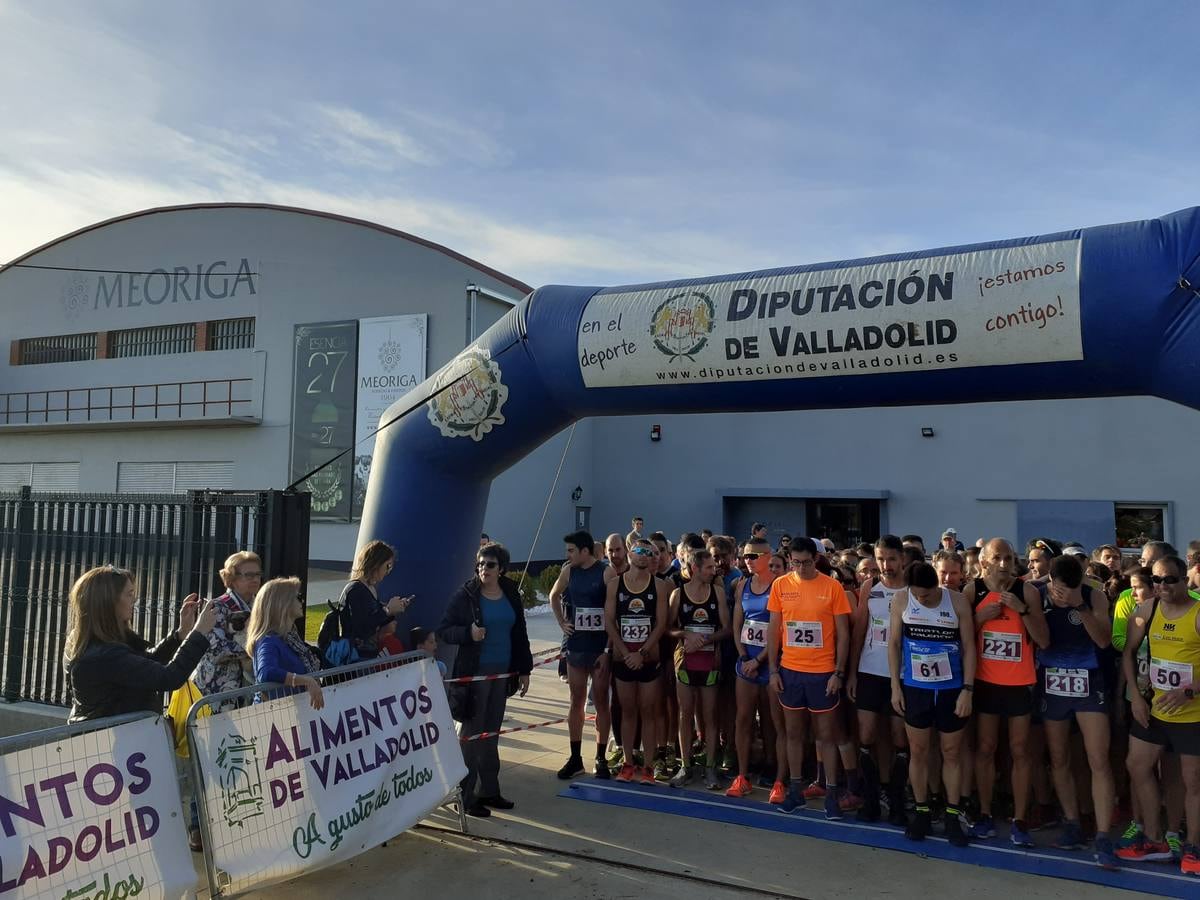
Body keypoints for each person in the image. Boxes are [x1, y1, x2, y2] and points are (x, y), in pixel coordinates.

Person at [1118, 555, 1200, 873]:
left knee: (1192, 782)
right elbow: (1127, 653)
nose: (1162, 586)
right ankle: (1154, 839)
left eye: (1170, 580)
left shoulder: (1196, 613)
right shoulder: (1146, 610)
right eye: (1156, 580)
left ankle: (1192, 847)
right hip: (1155, 709)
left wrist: (1189, 691)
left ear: (1184, 580)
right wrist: (1136, 698)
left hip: (1192, 714)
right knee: (1136, 766)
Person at [1035, 555, 1118, 867]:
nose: (1064, 591)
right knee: (1058, 757)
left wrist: (1079, 606)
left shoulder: (1093, 595)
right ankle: (1071, 822)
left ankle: (1103, 834)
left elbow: (1103, 639)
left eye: (1073, 585)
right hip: (1052, 682)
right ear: (1051, 580)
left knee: (1098, 758)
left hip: (1088, 682)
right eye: (1059, 587)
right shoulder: (1037, 592)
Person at [439, 541, 532, 818]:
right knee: (472, 735)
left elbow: (520, 632)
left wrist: (524, 670)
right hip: (474, 674)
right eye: (479, 564)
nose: (483, 569)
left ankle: (489, 790)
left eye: (489, 564)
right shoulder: (466, 595)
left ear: (501, 568)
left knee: (490, 733)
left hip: (502, 673)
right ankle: (465, 797)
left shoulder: (511, 593)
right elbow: (444, 630)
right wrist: (468, 633)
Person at [966, 538, 1049, 846]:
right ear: (984, 561)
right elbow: (961, 639)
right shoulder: (972, 591)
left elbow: (1044, 640)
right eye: (997, 557)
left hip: (1019, 684)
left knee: (1020, 752)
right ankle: (985, 814)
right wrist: (978, 619)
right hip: (985, 683)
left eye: (1009, 557)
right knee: (985, 749)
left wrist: (1023, 610)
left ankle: (1020, 819)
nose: (1004, 563)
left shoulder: (1026, 591)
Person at [888, 561, 974, 846]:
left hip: (950, 689)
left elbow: (969, 647)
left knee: (951, 752)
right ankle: (922, 811)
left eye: (927, 595)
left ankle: (951, 814)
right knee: (919, 751)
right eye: (918, 595)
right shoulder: (902, 599)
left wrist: (968, 690)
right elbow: (894, 644)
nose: (922, 599)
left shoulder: (957, 601)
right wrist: (895, 687)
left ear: (937, 585)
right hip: (916, 688)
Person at [65, 566, 216, 722]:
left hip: (127, 738)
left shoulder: (99, 643)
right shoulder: (104, 656)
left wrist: (181, 634)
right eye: (129, 594)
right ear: (109, 602)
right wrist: (198, 633)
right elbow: (169, 677)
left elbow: (145, 663)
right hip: (123, 741)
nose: (134, 600)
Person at [768, 541, 852, 819]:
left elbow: (843, 634)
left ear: (815, 559)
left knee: (825, 736)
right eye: (796, 562)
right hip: (790, 671)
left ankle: (832, 794)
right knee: (793, 734)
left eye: (806, 562)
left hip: (822, 674)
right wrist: (773, 670)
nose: (801, 568)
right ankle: (795, 790)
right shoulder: (781, 585)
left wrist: (838, 673)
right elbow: (774, 629)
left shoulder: (832, 587)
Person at [849, 535, 909, 825]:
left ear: (902, 559)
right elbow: (860, 630)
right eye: (881, 559)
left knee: (899, 738)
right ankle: (871, 799)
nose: (886, 565)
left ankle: (897, 799)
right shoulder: (869, 587)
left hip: (902, 676)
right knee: (867, 736)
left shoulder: (913, 589)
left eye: (891, 559)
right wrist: (850, 673)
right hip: (869, 671)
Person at [606, 538, 670, 783]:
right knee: (628, 711)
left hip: (648, 658)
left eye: (649, 552)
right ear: (630, 554)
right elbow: (609, 621)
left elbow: (661, 623)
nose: (644, 556)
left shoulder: (660, 586)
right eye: (639, 551)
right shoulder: (615, 585)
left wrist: (641, 653)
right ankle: (627, 763)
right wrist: (625, 651)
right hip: (623, 659)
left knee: (649, 712)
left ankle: (649, 767)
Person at [550, 530, 613, 780]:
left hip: (599, 647)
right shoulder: (569, 571)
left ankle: (600, 756)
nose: (567, 555)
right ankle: (575, 757)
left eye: (571, 550)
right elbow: (554, 596)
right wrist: (562, 623)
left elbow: (614, 611)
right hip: (577, 645)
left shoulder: (605, 572)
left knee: (600, 702)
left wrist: (608, 648)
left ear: (585, 551)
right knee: (576, 700)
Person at [727, 537, 785, 801]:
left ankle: (778, 777)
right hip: (746, 661)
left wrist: (759, 660)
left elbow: (778, 629)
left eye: (752, 557)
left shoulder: (779, 586)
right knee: (743, 718)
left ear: (766, 556)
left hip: (770, 661)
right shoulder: (743, 585)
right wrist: (742, 655)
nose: (747, 561)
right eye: (745, 557)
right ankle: (742, 774)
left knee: (775, 721)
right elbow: (737, 623)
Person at [669, 549, 731, 789]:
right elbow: (668, 628)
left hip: (709, 662)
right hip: (685, 662)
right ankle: (685, 765)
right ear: (694, 568)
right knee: (685, 714)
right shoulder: (678, 594)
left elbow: (727, 629)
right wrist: (685, 634)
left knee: (710, 716)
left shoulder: (717, 593)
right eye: (708, 568)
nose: (713, 571)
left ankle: (710, 768)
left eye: (713, 568)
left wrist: (707, 639)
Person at [192, 551, 263, 699]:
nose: (255, 579)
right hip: (216, 689)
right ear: (232, 578)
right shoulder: (218, 607)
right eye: (249, 575)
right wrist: (258, 649)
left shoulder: (260, 607)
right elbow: (216, 649)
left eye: (258, 574)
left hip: (247, 690)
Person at [246, 576, 324, 709]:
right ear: (282, 603)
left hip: (292, 713)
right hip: (274, 718)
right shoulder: (268, 640)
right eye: (298, 597)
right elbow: (266, 673)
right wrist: (305, 680)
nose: (302, 601)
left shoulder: (290, 638)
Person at [342, 541, 414, 659]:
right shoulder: (356, 589)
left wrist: (393, 610)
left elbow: (376, 621)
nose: (388, 571)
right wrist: (387, 610)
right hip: (355, 658)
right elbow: (362, 628)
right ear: (376, 563)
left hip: (367, 655)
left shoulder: (369, 588)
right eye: (388, 566)